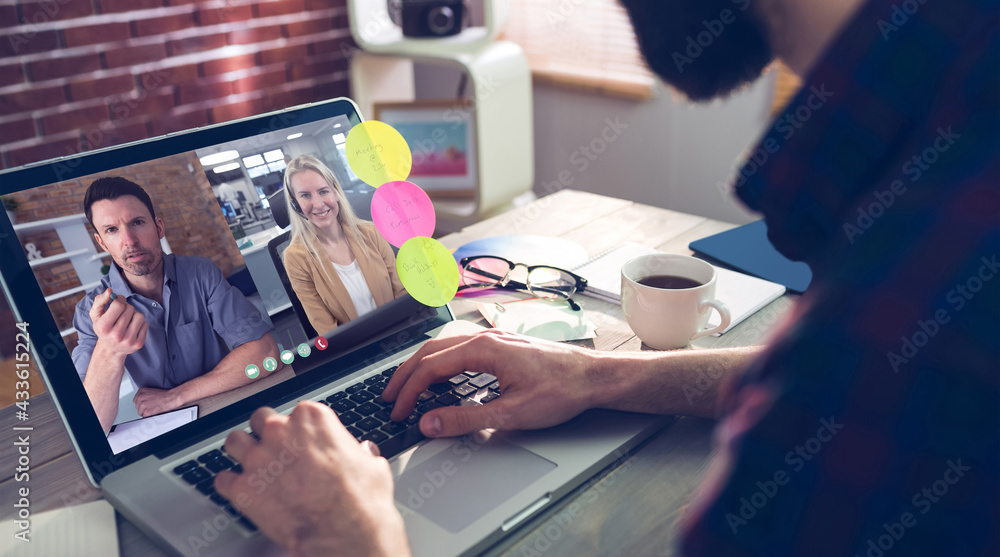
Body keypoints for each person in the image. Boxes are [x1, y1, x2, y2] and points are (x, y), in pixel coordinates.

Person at [214, 0, 999, 555]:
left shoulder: (895, 311)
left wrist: (354, 540)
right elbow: (832, 378)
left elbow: (857, 376)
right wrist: (596, 373)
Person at [72, 177, 281, 434]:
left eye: (137, 222)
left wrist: (175, 397)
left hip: (228, 403)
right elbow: (88, 427)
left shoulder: (200, 273)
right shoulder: (91, 312)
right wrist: (109, 349)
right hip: (167, 428)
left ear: (159, 227)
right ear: (102, 242)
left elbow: (267, 355)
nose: (129, 240)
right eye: (112, 230)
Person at [280, 155, 406, 335]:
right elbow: (326, 329)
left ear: (336, 192)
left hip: (400, 332)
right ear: (295, 204)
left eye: (323, 191)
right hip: (359, 350)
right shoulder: (296, 258)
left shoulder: (370, 233)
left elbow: (401, 292)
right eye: (305, 195)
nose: (318, 204)